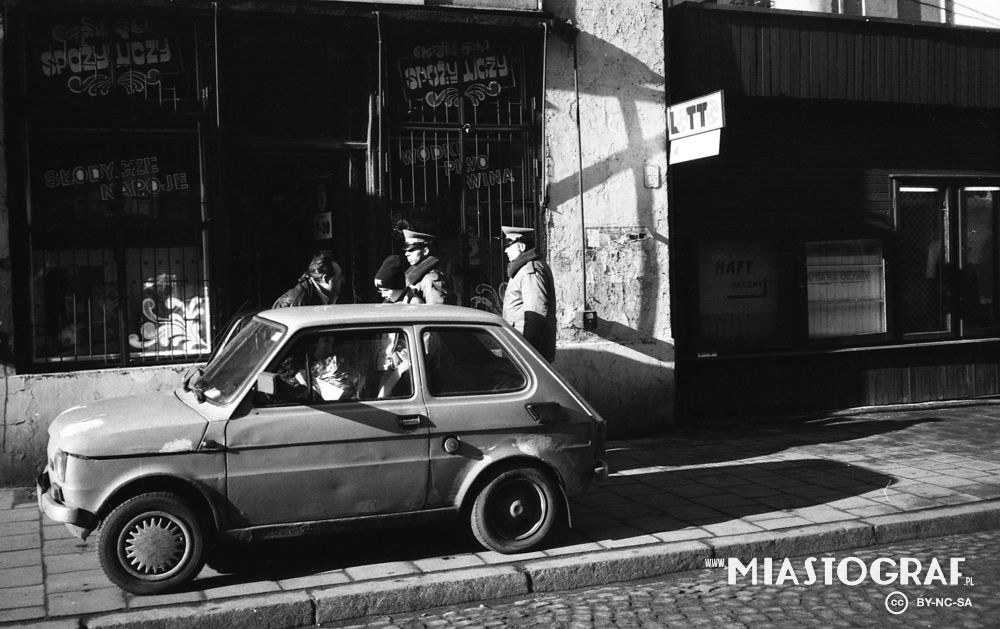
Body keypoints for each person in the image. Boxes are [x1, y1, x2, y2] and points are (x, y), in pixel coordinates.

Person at [500, 225, 557, 362]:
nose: (506, 250)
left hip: (525, 349)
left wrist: (528, 353)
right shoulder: (522, 269)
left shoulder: (529, 270)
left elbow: (536, 314)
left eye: (509, 244)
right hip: (520, 344)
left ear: (522, 247)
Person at [273, 251, 344, 308]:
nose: (343, 280)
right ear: (325, 279)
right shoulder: (297, 303)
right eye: (339, 276)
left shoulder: (333, 296)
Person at [401, 229, 455, 305]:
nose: (406, 254)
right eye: (406, 250)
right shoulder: (415, 275)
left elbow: (437, 313)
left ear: (425, 251)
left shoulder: (430, 279)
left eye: (411, 250)